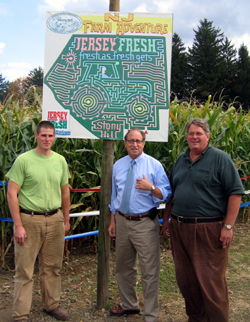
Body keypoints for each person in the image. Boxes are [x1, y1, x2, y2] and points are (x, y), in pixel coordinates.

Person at [162, 118, 244, 322]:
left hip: (208, 229)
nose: (194, 137)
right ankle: (197, 318)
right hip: (180, 228)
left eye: (199, 133)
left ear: (207, 136)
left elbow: (235, 193)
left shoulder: (220, 159)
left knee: (211, 282)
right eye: (190, 133)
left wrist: (228, 226)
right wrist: (166, 220)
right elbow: (172, 193)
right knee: (186, 280)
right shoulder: (181, 160)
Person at [6, 121, 70, 322]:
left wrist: (66, 219)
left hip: (55, 219)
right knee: (24, 270)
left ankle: (51, 305)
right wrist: (18, 225)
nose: (47, 139)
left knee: (52, 267)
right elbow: (11, 193)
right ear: (36, 135)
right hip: (29, 220)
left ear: (54, 137)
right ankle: (20, 315)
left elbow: (65, 192)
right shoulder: (23, 160)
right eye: (43, 135)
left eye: (51, 136)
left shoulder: (60, 161)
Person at [108, 128, 172, 322]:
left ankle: (151, 313)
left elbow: (167, 194)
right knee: (123, 268)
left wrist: (151, 187)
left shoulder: (154, 165)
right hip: (122, 221)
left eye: (138, 141)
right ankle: (129, 306)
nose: (134, 144)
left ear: (144, 143)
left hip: (145, 222)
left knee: (149, 270)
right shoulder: (118, 165)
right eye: (130, 141)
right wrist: (113, 220)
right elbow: (114, 195)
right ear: (125, 143)